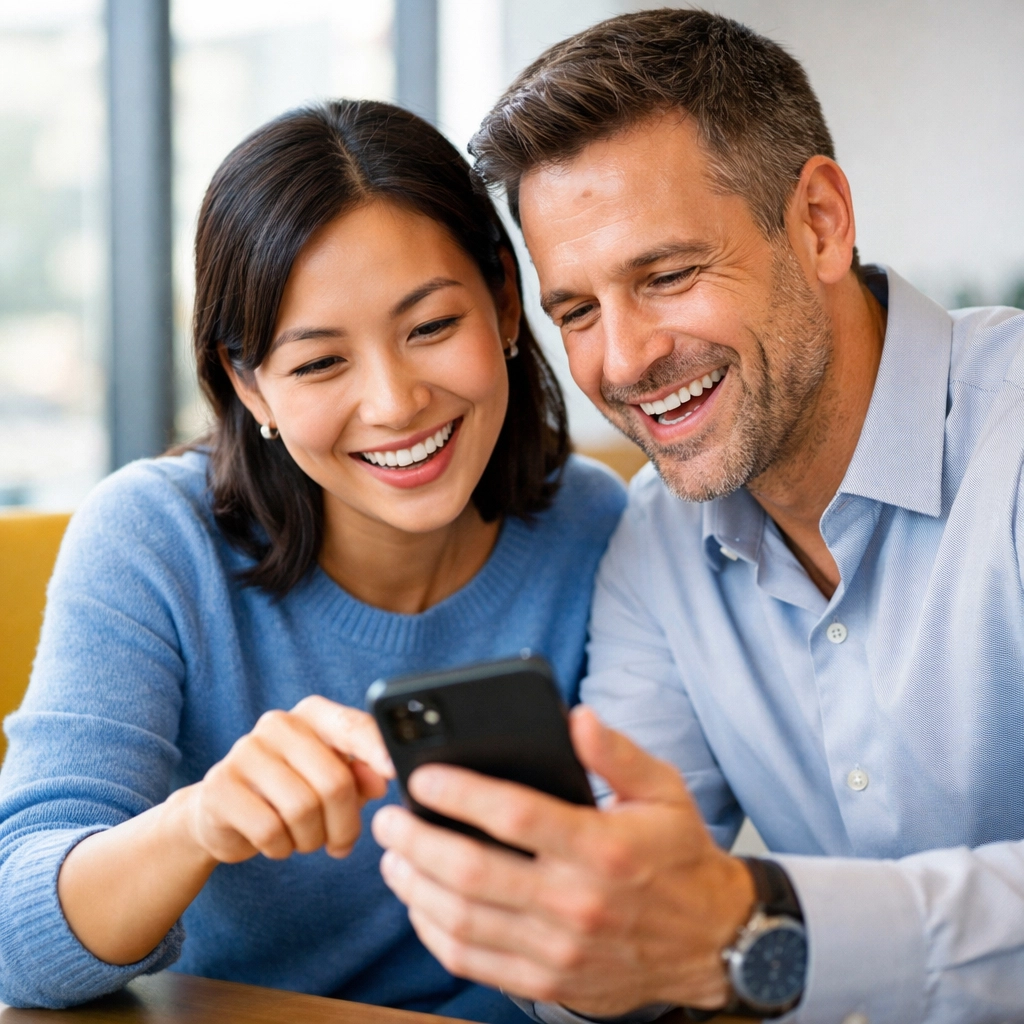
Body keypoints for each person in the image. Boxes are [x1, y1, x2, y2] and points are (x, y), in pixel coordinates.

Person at [370, 10, 1024, 1024]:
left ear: (819, 222)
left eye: (667, 276)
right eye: (576, 311)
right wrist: (557, 921)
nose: (623, 360)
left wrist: (752, 922)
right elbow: (611, 951)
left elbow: (719, 929)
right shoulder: (657, 542)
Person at [0, 100, 625, 1016]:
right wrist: (197, 823)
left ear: (502, 300)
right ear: (249, 384)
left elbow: (631, 936)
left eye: (429, 326)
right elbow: (13, 943)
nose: (394, 403)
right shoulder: (154, 539)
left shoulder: (601, 528)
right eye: (320, 363)